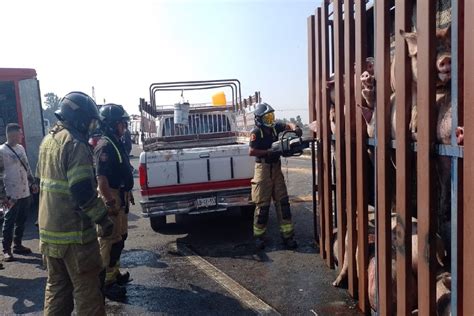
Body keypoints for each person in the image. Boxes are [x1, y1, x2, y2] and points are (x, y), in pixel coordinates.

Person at [37, 91, 114, 315]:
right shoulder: (75, 144)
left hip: (49, 232)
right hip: (74, 235)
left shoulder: (48, 141)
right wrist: (103, 218)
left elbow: (41, 183)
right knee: (87, 290)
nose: (91, 127)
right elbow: (82, 192)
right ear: (79, 118)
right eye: (90, 121)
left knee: (57, 288)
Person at [248, 103, 302, 250]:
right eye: (267, 117)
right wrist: (269, 151)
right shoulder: (256, 132)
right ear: (259, 119)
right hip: (263, 169)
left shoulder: (274, 127)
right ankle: (259, 238)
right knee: (262, 205)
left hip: (276, 168)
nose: (271, 119)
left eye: (271, 116)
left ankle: (288, 237)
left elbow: (287, 125)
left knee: (283, 202)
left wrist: (295, 128)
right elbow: (251, 151)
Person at [94, 104, 134, 301]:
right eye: (122, 123)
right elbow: (102, 180)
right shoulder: (105, 146)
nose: (125, 126)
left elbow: (123, 168)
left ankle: (114, 273)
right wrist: (110, 202)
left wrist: (128, 192)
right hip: (112, 196)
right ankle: (106, 283)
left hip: (121, 195)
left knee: (120, 238)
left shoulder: (116, 141)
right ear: (112, 124)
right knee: (109, 241)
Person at [0, 123, 38, 262]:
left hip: (24, 190)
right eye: (20, 133)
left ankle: (18, 245)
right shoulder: (2, 151)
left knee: (22, 219)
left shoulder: (21, 148)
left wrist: (32, 182)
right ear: (13, 134)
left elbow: (27, 167)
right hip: (10, 193)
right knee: (9, 222)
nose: (22, 136)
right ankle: (6, 250)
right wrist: (3, 196)